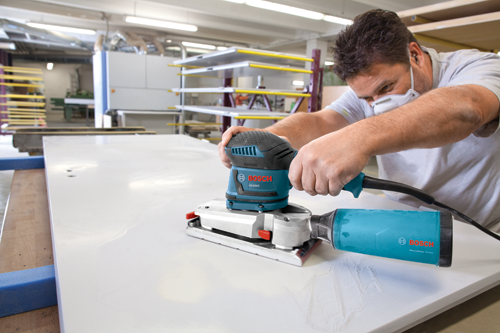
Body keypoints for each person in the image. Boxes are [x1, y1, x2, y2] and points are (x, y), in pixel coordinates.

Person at [218, 9, 500, 232]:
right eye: (366, 98)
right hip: (397, 218)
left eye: (387, 88)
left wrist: (357, 139)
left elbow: (467, 107)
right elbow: (320, 121)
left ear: (414, 55)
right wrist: (269, 139)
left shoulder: (478, 67)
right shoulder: (367, 92)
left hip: (475, 231)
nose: (376, 103)